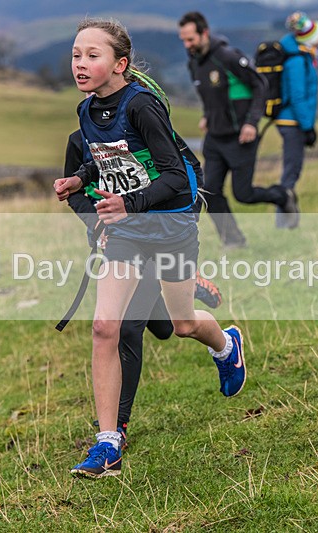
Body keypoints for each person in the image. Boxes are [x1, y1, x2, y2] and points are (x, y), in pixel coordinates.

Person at [55, 18, 246, 479]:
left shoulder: (142, 107)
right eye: (77, 54)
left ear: (119, 64)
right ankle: (108, 444)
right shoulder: (86, 110)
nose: (81, 64)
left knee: (182, 325)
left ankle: (225, 345)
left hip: (170, 227)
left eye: (92, 55)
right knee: (105, 327)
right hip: (127, 232)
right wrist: (79, 179)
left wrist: (130, 203)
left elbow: (177, 178)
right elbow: (102, 158)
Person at [63, 128, 223, 449]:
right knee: (164, 329)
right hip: (117, 241)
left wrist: (181, 226)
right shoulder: (80, 140)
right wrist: (95, 223)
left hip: (159, 237)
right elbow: (74, 191)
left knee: (127, 328)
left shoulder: (145, 123)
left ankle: (117, 427)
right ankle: (183, 287)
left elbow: (191, 172)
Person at [178, 11, 298, 246]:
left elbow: (260, 84)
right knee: (209, 191)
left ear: (204, 33)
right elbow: (212, 94)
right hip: (214, 137)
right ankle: (234, 241)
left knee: (244, 194)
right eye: (183, 40)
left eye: (190, 39)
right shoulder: (193, 63)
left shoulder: (227, 56)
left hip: (241, 136)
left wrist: (252, 123)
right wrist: (208, 115)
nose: (187, 45)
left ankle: (283, 196)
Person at [273, 12, 318, 229]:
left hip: (292, 121)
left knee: (292, 169)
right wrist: (308, 126)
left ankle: (287, 220)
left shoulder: (301, 55)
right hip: (291, 122)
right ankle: (284, 221)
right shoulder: (296, 60)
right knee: (291, 171)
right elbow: (297, 95)